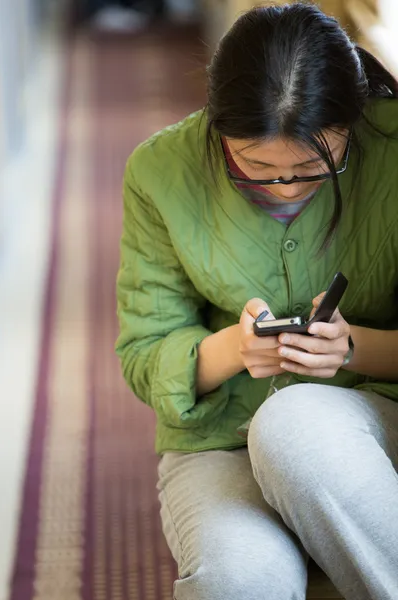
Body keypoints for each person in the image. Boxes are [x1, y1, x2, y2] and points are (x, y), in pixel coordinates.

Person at [116, 4, 398, 599]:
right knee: (238, 579)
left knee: (294, 426)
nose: (289, 188)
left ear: (355, 120)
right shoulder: (158, 170)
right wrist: (232, 350)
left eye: (314, 167)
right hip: (222, 438)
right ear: (217, 127)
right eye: (257, 166)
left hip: (376, 412)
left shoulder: (393, 148)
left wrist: (353, 350)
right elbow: (143, 355)